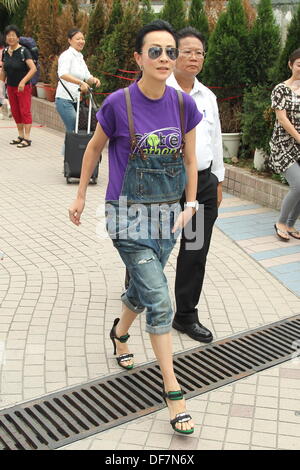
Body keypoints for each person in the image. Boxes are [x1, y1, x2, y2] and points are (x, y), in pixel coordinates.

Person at [69, 20, 202, 435]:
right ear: (138, 58)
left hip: (168, 215)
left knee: (143, 289)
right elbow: (93, 148)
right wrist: (80, 196)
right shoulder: (116, 103)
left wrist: (192, 204)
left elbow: (190, 161)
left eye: (170, 51)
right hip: (126, 215)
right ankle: (173, 391)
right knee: (160, 300)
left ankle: (119, 333)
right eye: (155, 51)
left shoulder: (184, 106)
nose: (165, 58)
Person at [167, 27, 224, 343]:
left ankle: (185, 315)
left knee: (195, 249)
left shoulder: (208, 97)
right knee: (154, 243)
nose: (193, 57)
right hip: (164, 181)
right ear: (173, 54)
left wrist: (218, 179)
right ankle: (136, 290)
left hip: (202, 182)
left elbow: (215, 141)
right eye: (186, 50)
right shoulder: (158, 92)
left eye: (198, 52)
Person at [270, 48, 300, 242]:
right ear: (290, 65)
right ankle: (281, 223)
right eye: (299, 65)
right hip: (283, 145)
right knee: (298, 184)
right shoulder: (281, 89)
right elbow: (282, 119)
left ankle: (290, 224)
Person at [55, 28, 101, 134]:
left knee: (76, 132)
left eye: (83, 39)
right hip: (64, 100)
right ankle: (69, 151)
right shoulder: (67, 56)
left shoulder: (80, 57)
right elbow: (62, 74)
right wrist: (80, 83)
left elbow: (87, 76)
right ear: (70, 41)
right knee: (73, 131)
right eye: (77, 39)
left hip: (76, 100)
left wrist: (94, 80)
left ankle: (73, 151)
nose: (81, 41)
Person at [0, 25, 36, 147]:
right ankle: (20, 135)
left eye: (13, 35)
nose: (10, 38)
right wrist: (1, 85)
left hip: (23, 87)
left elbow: (33, 69)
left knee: (25, 111)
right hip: (10, 86)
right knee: (15, 112)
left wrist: (23, 81)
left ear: (18, 38)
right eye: (8, 35)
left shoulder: (23, 51)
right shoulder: (5, 52)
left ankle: (27, 138)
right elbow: (4, 70)